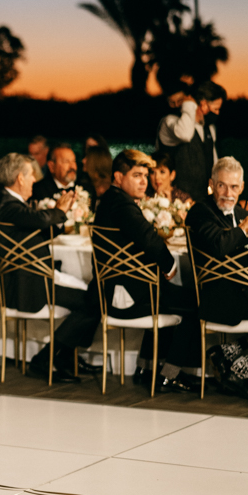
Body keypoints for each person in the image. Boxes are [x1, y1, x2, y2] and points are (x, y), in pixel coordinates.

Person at [0, 153, 100, 384]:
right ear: (20, 178)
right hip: (23, 283)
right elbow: (36, 219)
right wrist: (59, 210)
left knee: (93, 300)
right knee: (92, 303)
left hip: (30, 276)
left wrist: (56, 219)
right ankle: (46, 358)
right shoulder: (6, 203)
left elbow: (34, 230)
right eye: (31, 177)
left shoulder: (6, 201)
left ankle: (63, 357)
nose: (34, 182)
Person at [94, 149, 200, 393]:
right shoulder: (122, 205)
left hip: (119, 288)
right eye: (137, 175)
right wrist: (170, 266)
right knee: (194, 304)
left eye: (146, 175)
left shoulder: (111, 199)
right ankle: (170, 374)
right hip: (127, 296)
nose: (144, 181)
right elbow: (149, 239)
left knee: (169, 297)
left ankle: (147, 366)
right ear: (118, 177)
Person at [186, 157, 248, 396]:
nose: (228, 193)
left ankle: (233, 357)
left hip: (244, 292)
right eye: (222, 186)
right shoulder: (200, 211)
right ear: (211, 184)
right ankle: (241, 367)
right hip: (217, 297)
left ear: (241, 187)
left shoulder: (240, 213)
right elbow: (219, 245)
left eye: (234, 187)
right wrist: (245, 229)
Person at [156, 80, 226, 202]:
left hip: (202, 201)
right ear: (203, 105)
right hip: (174, 201)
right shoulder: (170, 122)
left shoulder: (209, 129)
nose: (217, 113)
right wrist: (188, 104)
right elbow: (185, 134)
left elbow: (215, 164)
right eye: (215, 108)